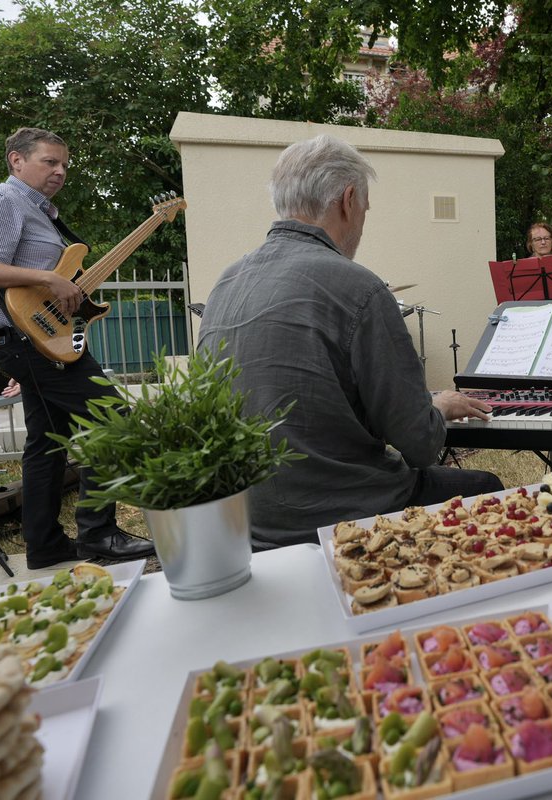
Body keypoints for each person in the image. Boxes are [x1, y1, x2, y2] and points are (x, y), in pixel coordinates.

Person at [197, 134, 504, 549]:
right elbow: (421, 444)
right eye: (364, 208)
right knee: (489, 488)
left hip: (249, 521)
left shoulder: (225, 283)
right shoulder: (360, 288)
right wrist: (436, 406)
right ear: (348, 200)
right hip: (342, 517)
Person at [0, 127, 155, 568]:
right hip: (29, 344)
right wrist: (46, 278)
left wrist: (70, 293)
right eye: (49, 162)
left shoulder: (42, 213)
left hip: (40, 340)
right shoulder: (0, 200)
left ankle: (44, 545)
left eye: (64, 164)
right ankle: (98, 535)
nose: (60, 171)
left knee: (45, 444)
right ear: (16, 161)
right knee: (115, 422)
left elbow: (49, 282)